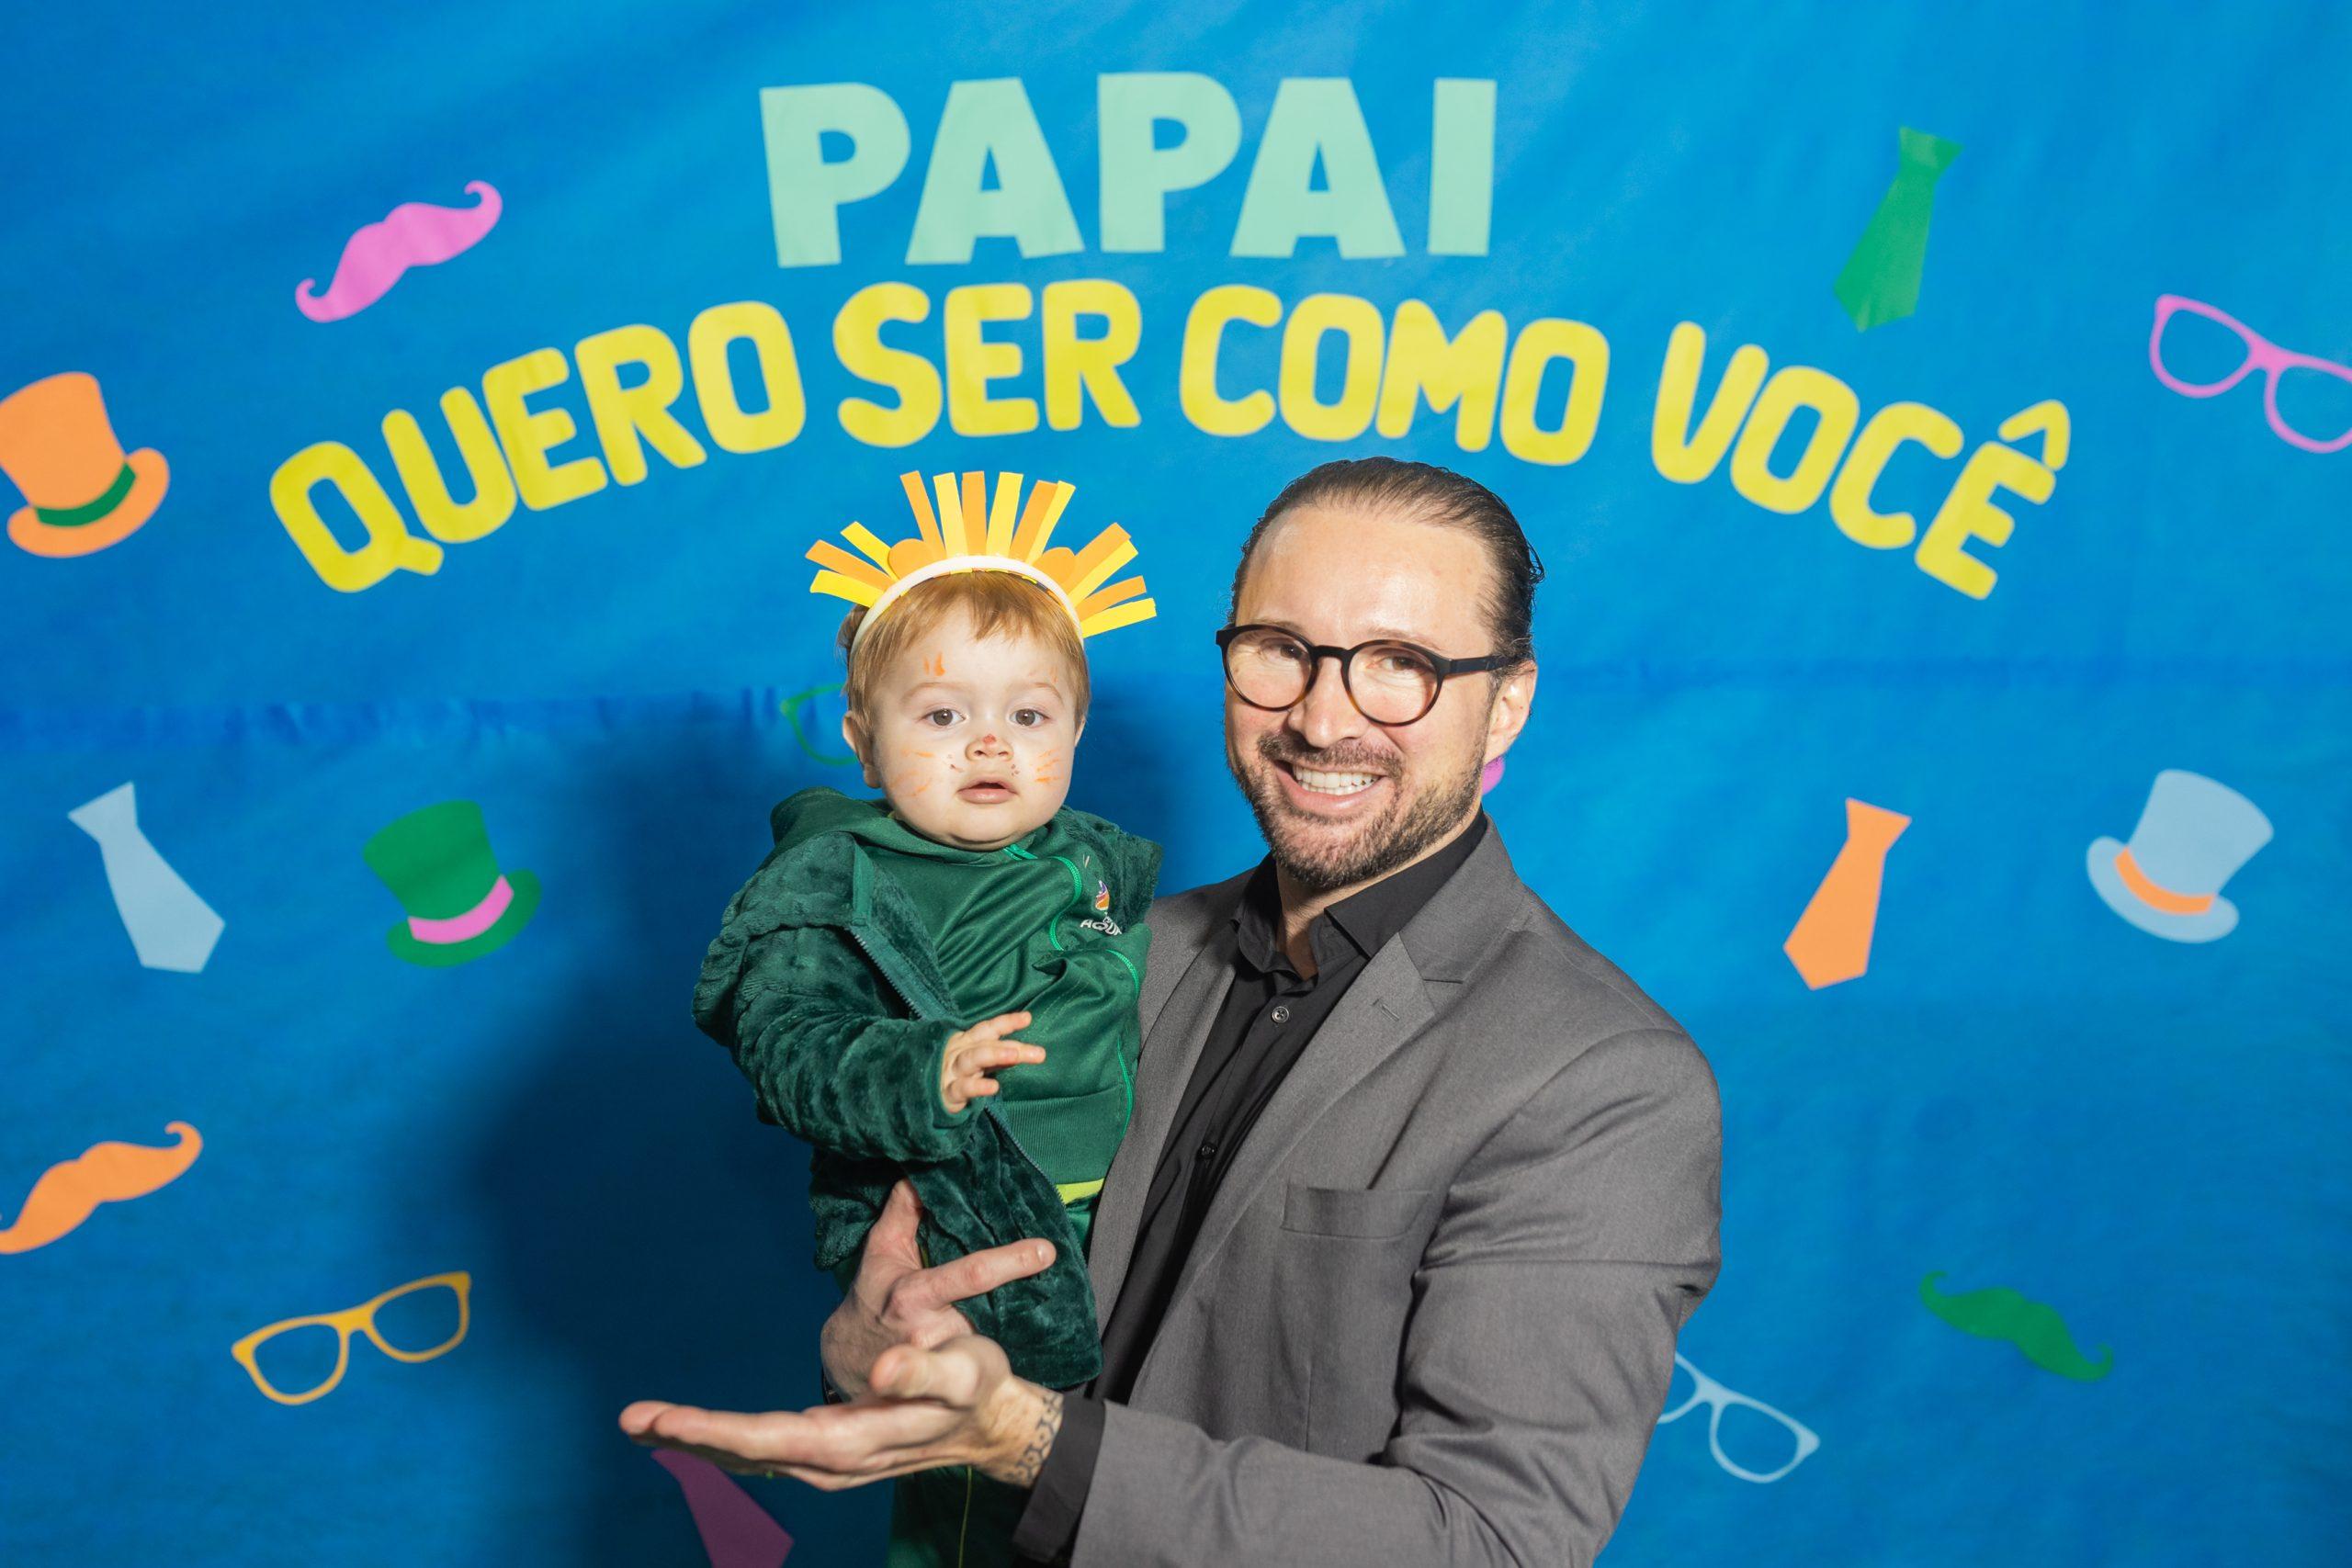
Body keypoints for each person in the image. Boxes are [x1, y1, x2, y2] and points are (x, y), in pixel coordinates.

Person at [627, 457, 1725, 1567]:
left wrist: (1023, 1441)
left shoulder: (1602, 1080)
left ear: (1507, 704)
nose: (1322, 716)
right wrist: (880, 1350)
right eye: (1280, 650)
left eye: (1401, 664)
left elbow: (1490, 1543)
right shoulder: (1109, 954)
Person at [684, 469, 1163, 1565]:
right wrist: (919, 1070)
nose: (989, 745)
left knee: (1123, 1491)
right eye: (943, 716)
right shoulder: (840, 880)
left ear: (1075, 730)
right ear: (862, 741)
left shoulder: (1091, 862)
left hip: (1124, 1219)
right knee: (972, 1493)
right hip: (962, 1213)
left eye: (1028, 716)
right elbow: (784, 1041)